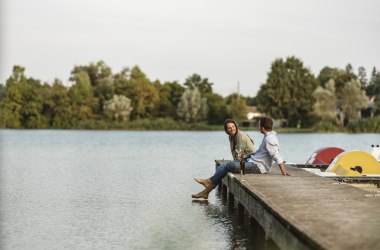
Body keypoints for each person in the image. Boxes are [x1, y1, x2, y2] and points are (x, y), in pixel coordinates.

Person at [192, 116, 291, 199]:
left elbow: (276, 155)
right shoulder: (268, 137)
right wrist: (247, 156)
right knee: (224, 167)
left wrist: (283, 171)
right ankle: (206, 192)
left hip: (257, 167)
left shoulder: (270, 139)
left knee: (229, 165)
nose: (258, 126)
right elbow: (260, 154)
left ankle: (208, 183)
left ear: (263, 128)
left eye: (259, 124)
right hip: (253, 162)